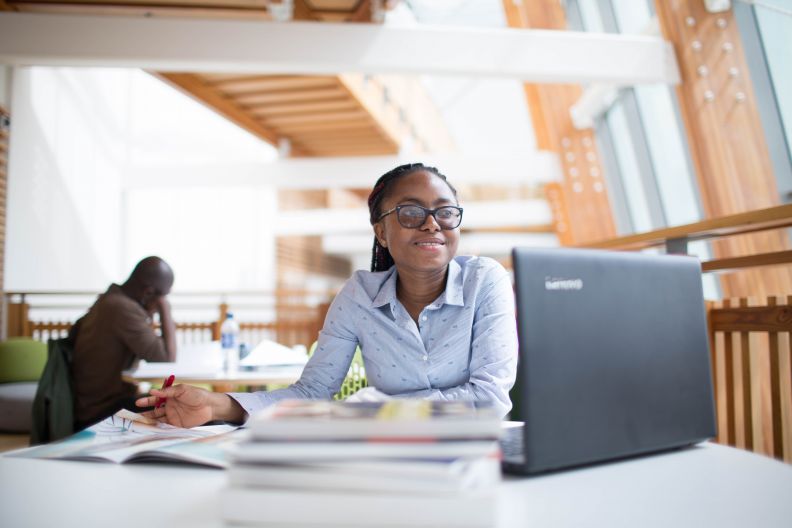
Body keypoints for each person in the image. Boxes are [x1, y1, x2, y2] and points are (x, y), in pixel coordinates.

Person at [137, 163, 517, 427]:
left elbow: (488, 398)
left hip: (474, 449)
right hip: (387, 453)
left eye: (445, 212)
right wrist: (218, 405)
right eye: (411, 212)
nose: (432, 223)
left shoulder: (485, 281)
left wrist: (370, 411)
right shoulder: (358, 296)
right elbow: (313, 392)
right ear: (381, 233)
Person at [71, 256, 177, 429]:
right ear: (148, 292)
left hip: (93, 404)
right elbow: (166, 358)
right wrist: (165, 308)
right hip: (98, 412)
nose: (161, 301)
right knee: (180, 410)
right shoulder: (121, 308)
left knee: (174, 405)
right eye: (163, 296)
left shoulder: (111, 299)